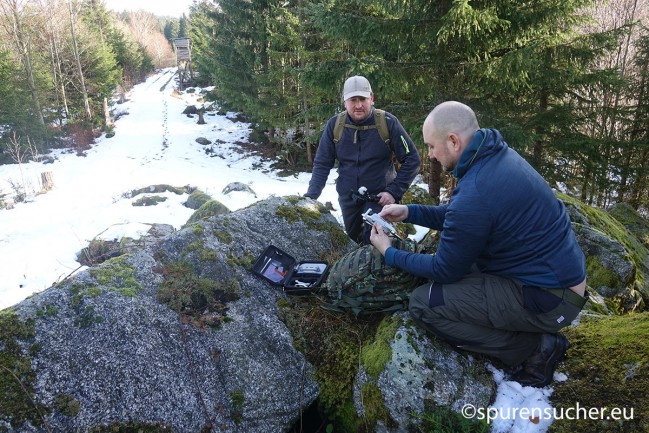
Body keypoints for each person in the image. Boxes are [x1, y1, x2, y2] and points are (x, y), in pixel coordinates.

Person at [369, 101, 587, 388]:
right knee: (462, 267)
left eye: (432, 147)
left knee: (424, 303)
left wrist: (389, 252)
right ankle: (532, 335)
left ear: (454, 141)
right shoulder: (495, 156)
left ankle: (534, 349)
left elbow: (445, 269)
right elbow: (466, 219)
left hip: (549, 299)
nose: (431, 156)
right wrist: (410, 211)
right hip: (556, 280)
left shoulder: (477, 188)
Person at [305, 75, 421, 244]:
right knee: (352, 241)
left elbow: (412, 159)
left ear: (371, 99)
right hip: (348, 199)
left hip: (380, 198)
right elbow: (322, 163)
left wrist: (393, 192)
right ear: (345, 102)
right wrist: (311, 197)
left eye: (363, 99)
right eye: (353, 100)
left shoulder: (388, 122)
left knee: (372, 241)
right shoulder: (335, 125)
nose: (358, 105)